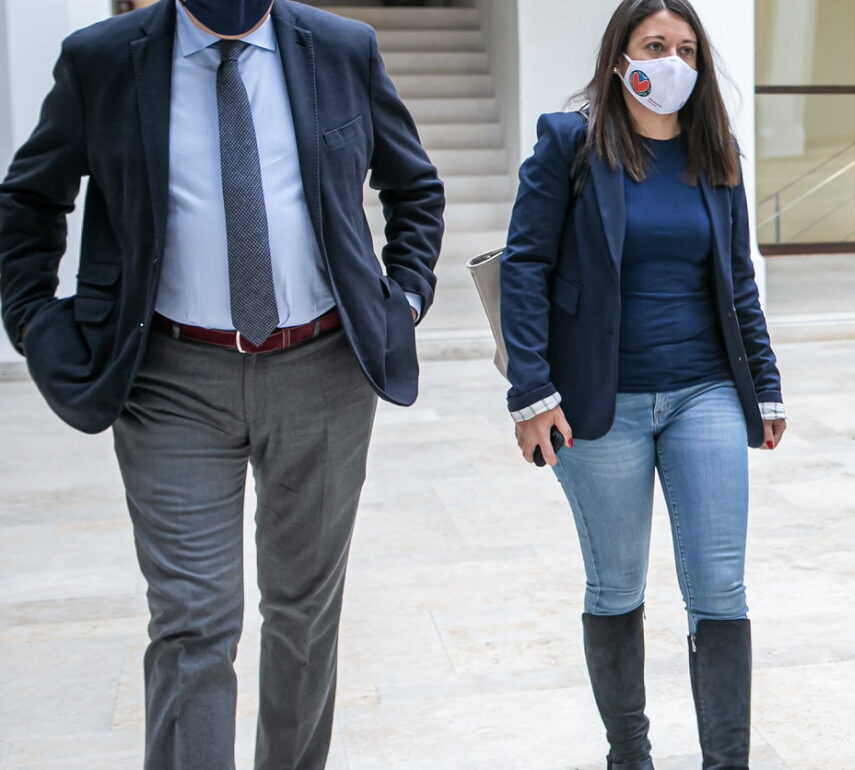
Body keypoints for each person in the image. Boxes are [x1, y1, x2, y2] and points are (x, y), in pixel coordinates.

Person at [0, 0, 442, 766]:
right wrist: (39, 324)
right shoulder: (102, 58)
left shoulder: (341, 49)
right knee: (192, 619)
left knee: (304, 613)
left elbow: (415, 189)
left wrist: (399, 302)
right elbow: (29, 203)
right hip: (171, 378)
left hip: (324, 369)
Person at [497, 0, 783, 767]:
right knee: (616, 584)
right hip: (600, 404)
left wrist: (767, 383)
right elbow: (524, 266)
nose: (673, 62)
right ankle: (630, 752)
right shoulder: (572, 144)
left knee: (721, 587)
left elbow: (738, 280)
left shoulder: (714, 152)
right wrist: (530, 391)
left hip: (705, 393)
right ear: (620, 57)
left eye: (687, 49)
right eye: (655, 45)